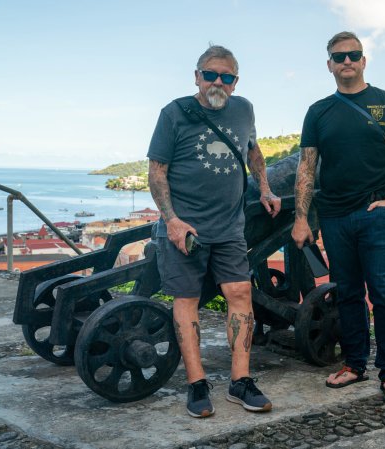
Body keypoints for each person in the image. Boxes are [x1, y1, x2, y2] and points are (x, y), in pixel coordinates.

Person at [147, 45, 281, 418]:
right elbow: (157, 172)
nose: (217, 82)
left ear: (235, 81)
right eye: (210, 74)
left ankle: (240, 381)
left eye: (226, 76)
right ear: (196, 76)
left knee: (240, 293)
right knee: (186, 300)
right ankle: (196, 383)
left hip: (229, 225)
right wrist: (171, 220)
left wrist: (265, 187)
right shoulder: (174, 113)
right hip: (185, 227)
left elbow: (253, 151)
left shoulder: (244, 109)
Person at [291, 31, 385, 403]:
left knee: (383, 294)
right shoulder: (318, 112)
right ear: (329, 64)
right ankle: (355, 364)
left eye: (354, 55)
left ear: (364, 61)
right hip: (334, 215)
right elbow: (306, 167)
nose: (347, 61)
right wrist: (302, 218)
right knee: (347, 294)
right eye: (339, 56)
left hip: (375, 212)